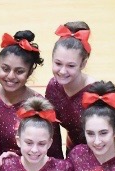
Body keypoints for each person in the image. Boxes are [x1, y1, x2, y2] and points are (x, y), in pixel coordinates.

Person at [0, 31, 63, 158]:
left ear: (30, 71)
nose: (10, 76)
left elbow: (54, 156)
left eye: (19, 71)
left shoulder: (40, 107)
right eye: (5, 69)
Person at [45, 22, 96, 155]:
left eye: (71, 66)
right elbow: (52, 130)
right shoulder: (53, 87)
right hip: (72, 149)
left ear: (83, 64)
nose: (62, 71)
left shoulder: (95, 92)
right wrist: (57, 163)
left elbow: (105, 136)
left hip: (97, 152)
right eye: (58, 63)